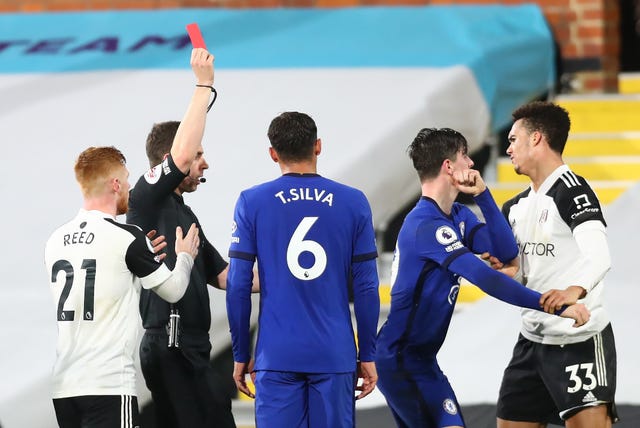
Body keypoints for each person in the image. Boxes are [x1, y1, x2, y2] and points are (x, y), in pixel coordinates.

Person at [374, 127, 591, 428]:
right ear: (448, 167)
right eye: (465, 157)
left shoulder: (457, 215)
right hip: (400, 359)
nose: (472, 164)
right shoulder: (425, 225)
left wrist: (484, 195)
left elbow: (504, 250)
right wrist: (553, 305)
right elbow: (486, 278)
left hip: (421, 360)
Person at [226, 111, 381, 428]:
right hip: (333, 353)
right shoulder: (353, 202)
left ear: (273, 154)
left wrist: (241, 354)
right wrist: (367, 354)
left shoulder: (252, 201)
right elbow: (366, 287)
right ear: (318, 147)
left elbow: (239, 285)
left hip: (276, 354)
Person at [45, 146, 200, 428]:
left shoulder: (55, 239)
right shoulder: (127, 237)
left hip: (64, 387)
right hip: (108, 385)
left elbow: (103, 272)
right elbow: (174, 289)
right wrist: (186, 256)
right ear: (115, 184)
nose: (130, 185)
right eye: (126, 179)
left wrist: (142, 255)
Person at [126, 48, 236, 428]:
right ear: (169, 160)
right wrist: (204, 85)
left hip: (190, 347)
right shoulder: (145, 197)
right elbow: (184, 152)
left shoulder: (185, 215)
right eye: (199, 154)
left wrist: (292, 272)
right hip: (170, 345)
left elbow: (225, 277)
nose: (204, 162)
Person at [496, 101, 618, 427]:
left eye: (512, 139)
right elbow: (522, 272)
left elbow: (600, 255)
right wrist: (505, 270)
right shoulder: (514, 206)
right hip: (531, 342)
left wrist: (572, 291)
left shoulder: (573, 192)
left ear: (536, 139)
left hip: (578, 342)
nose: (507, 148)